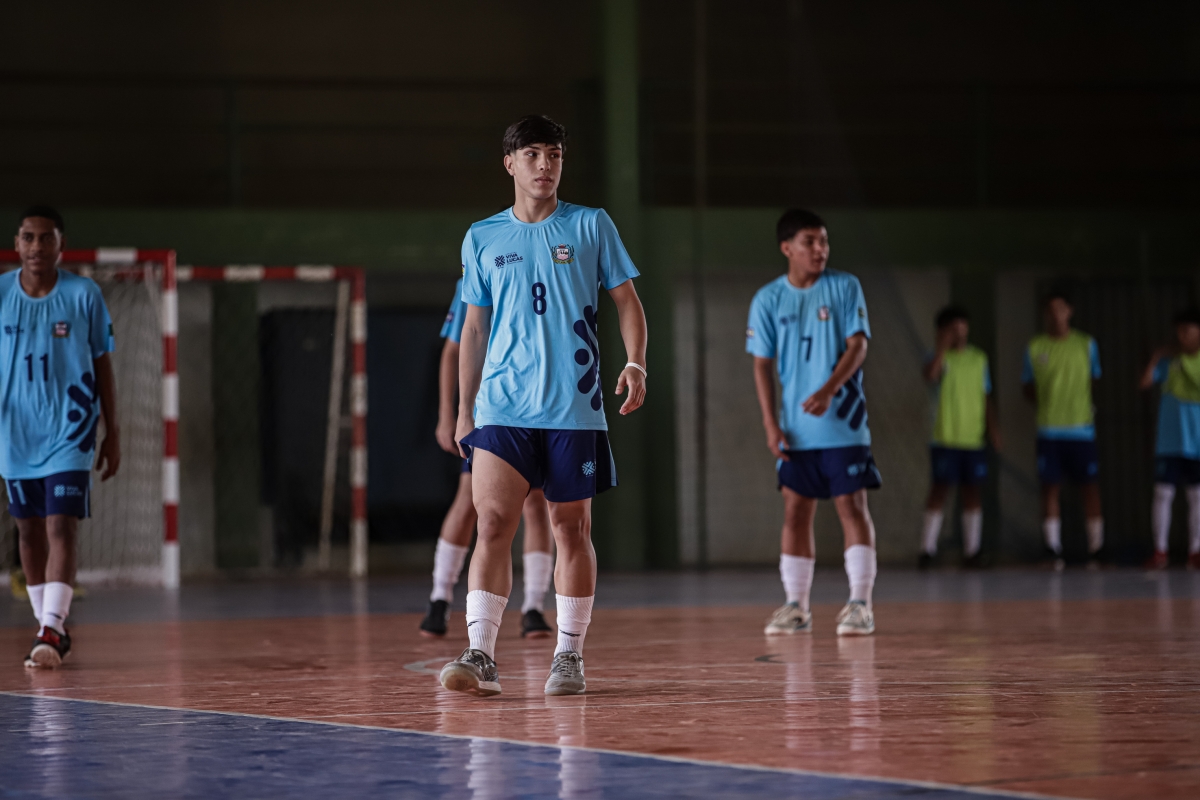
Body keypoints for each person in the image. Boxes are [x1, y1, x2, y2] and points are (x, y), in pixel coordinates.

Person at [438, 115, 647, 698]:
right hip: (501, 408)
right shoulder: (482, 236)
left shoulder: (590, 225)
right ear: (510, 163)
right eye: (532, 154)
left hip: (573, 408)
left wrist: (636, 362)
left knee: (570, 528)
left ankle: (569, 655)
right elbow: (473, 329)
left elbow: (628, 301)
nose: (545, 165)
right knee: (492, 523)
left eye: (553, 154)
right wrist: (464, 410)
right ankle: (481, 653)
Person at [749, 208, 881, 638]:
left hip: (844, 424)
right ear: (787, 248)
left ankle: (860, 604)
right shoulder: (768, 299)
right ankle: (796, 606)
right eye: (810, 242)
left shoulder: (844, 287)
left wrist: (828, 390)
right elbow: (762, 365)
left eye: (824, 241)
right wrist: (771, 424)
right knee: (795, 512)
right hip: (795, 431)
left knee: (852, 507)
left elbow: (858, 346)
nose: (820, 249)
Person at [5, 207, 120, 668]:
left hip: (70, 430)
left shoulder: (83, 294)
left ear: (61, 245)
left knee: (60, 524)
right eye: (28, 237)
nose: (37, 246)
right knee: (28, 530)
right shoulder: (1, 295)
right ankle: (48, 628)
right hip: (15, 434)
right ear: (17, 244)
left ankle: (52, 628)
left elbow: (103, 364)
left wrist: (114, 431)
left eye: (46, 238)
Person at [420, 277, 555, 639]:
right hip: (490, 414)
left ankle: (533, 607)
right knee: (470, 501)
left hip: (538, 409)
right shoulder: (477, 279)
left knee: (536, 505)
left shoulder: (542, 274)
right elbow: (453, 350)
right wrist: (448, 415)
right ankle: (439, 597)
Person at [1021, 289, 1103, 568]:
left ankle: (1096, 547)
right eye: (1050, 310)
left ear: (1070, 311)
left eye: (1061, 309)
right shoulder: (1035, 347)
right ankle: (1052, 548)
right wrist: (1049, 402)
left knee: (1089, 487)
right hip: (1049, 429)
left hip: (1081, 429)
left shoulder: (1086, 344)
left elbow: (1094, 379)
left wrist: (1078, 404)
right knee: (1050, 488)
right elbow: (1027, 387)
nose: (1056, 315)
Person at [918, 305, 1001, 568]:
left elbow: (985, 396)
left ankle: (972, 551)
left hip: (972, 437)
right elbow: (930, 375)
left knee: (972, 491)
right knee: (940, 489)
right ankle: (927, 549)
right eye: (952, 328)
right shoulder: (937, 357)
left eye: (961, 326)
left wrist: (993, 428)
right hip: (944, 437)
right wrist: (942, 348)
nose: (958, 332)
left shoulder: (978, 359)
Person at [1140, 307, 1200, 570]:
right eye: (1179, 331)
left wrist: (1183, 361)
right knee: (1163, 494)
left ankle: (1195, 550)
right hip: (1169, 440)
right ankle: (1160, 550)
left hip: (1196, 440)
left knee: (1196, 496)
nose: (1182, 336)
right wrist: (1156, 358)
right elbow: (1144, 383)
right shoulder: (1167, 361)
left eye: (1188, 330)